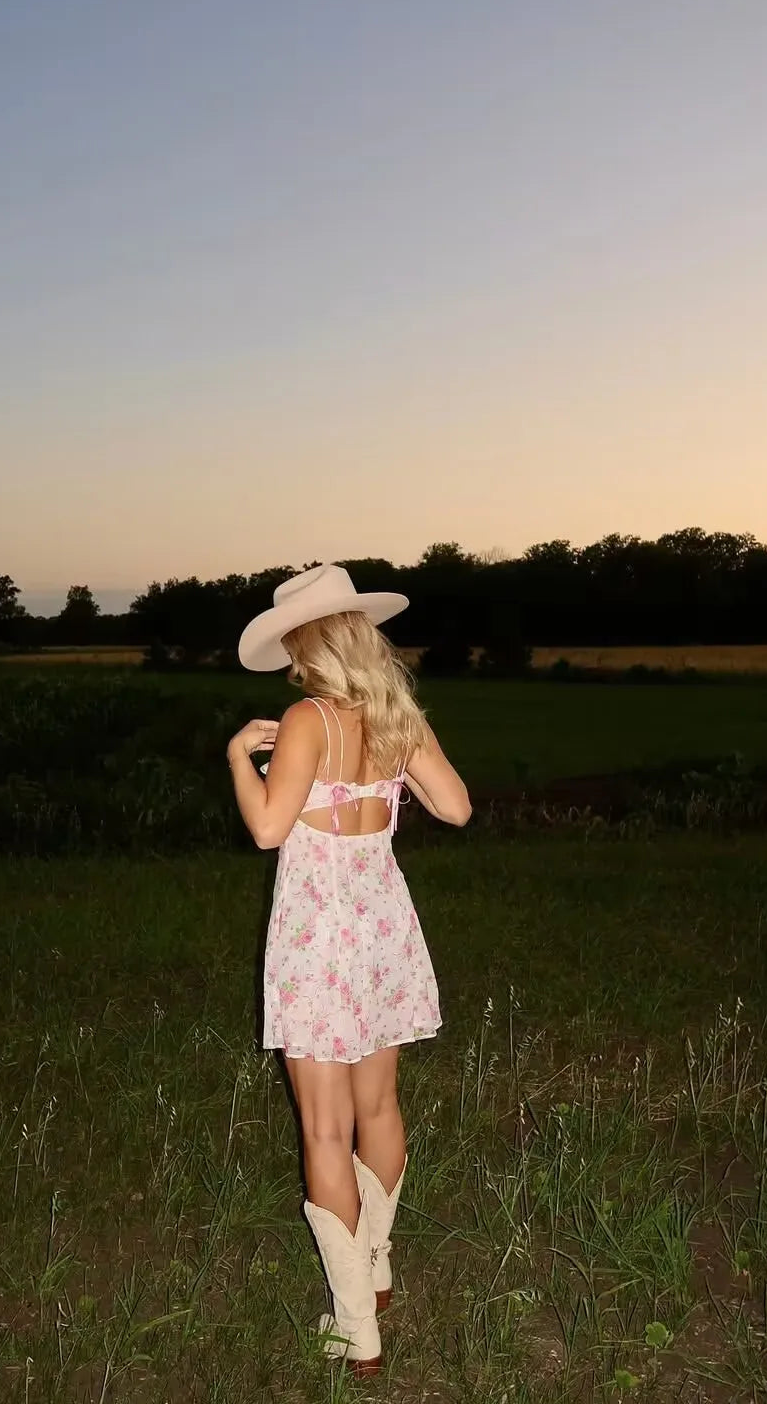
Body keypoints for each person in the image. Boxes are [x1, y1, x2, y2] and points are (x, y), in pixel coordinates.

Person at [227, 563, 471, 1376]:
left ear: (306, 644)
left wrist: (239, 758)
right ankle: (377, 1262)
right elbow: (456, 807)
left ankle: (355, 1323)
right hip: (383, 928)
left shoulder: (307, 719)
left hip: (318, 939)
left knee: (326, 1129)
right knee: (380, 1106)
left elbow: (269, 829)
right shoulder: (397, 718)